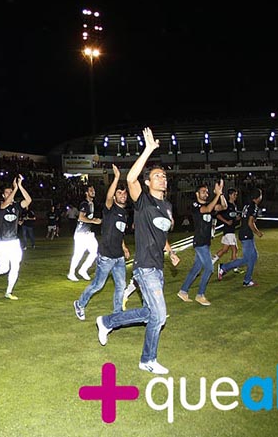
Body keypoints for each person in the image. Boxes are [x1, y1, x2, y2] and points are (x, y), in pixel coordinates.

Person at [95, 128, 179, 375]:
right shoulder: (143, 202)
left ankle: (106, 321)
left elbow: (161, 234)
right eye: (156, 176)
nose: (162, 178)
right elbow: (131, 179)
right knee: (160, 316)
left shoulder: (167, 206)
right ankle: (147, 359)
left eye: (164, 176)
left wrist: (170, 251)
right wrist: (149, 149)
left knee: (150, 313)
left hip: (159, 267)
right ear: (148, 182)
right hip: (145, 268)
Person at [73, 164, 131, 320]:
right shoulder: (109, 209)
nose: (123, 195)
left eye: (124, 193)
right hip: (106, 256)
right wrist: (117, 178)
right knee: (97, 285)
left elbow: (120, 233)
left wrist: (124, 248)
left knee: (120, 286)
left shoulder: (124, 213)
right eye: (119, 193)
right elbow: (108, 196)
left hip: (118, 257)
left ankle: (117, 314)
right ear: (114, 196)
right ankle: (80, 304)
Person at [177, 181, 227, 306]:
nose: (206, 193)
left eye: (207, 192)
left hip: (206, 242)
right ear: (197, 193)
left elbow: (224, 207)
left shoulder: (211, 204)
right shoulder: (195, 205)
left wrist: (220, 194)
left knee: (196, 268)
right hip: (200, 242)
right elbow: (208, 209)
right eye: (203, 191)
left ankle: (183, 291)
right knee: (209, 268)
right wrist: (217, 196)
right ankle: (200, 295)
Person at [0, 174, 32, 300]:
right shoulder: (0, 206)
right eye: (7, 192)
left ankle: (8, 292)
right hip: (1, 243)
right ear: (3, 195)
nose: (10, 193)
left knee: (15, 266)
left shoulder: (16, 207)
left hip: (14, 242)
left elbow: (28, 200)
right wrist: (14, 189)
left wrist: (20, 186)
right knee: (4, 268)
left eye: (11, 192)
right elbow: (5, 204)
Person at [217, 188, 264, 287]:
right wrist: (258, 232)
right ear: (259, 197)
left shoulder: (247, 205)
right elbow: (250, 223)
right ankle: (226, 268)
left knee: (254, 257)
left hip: (245, 233)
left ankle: (246, 279)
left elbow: (245, 219)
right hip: (246, 234)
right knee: (249, 259)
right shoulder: (253, 207)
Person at [67, 185, 102, 281]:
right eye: (91, 190)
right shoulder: (84, 204)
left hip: (88, 233)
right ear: (86, 193)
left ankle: (83, 270)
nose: (93, 191)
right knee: (78, 254)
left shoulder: (92, 204)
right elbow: (81, 217)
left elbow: (88, 217)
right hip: (81, 233)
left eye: (93, 189)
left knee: (94, 252)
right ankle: (71, 273)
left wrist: (94, 220)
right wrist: (93, 221)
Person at [211, 188, 241, 271]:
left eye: (236, 195)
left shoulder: (234, 206)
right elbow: (218, 215)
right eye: (234, 194)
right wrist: (226, 222)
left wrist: (237, 219)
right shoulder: (226, 205)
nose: (236, 196)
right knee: (235, 249)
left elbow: (232, 217)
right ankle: (234, 267)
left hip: (230, 230)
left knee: (224, 250)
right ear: (230, 195)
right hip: (228, 230)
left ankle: (211, 261)